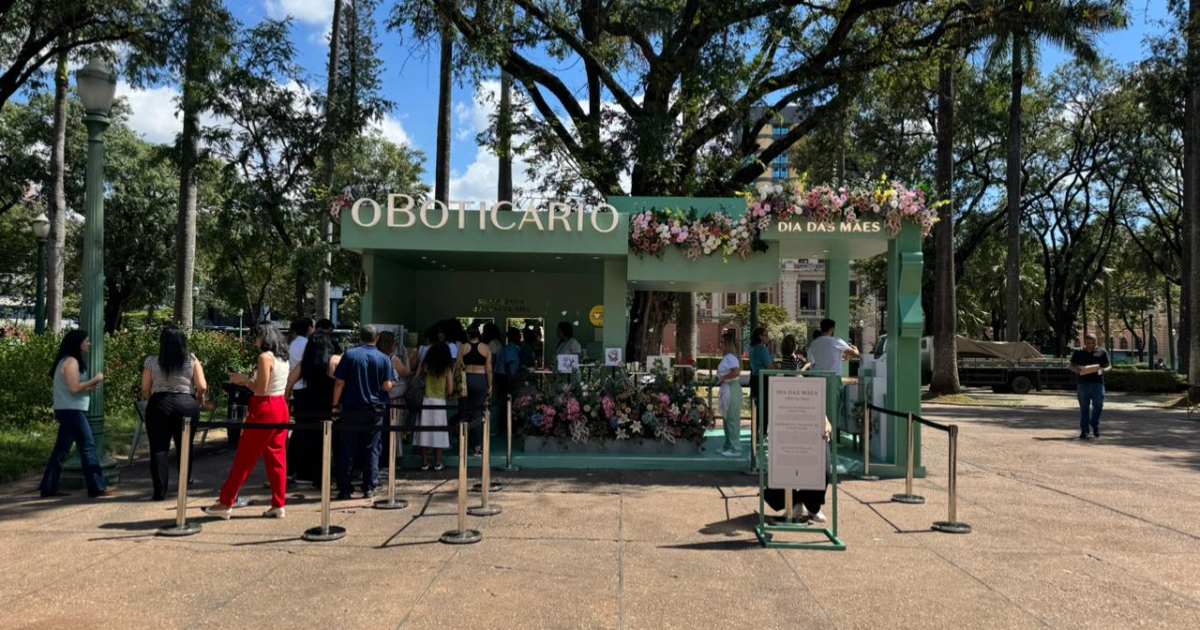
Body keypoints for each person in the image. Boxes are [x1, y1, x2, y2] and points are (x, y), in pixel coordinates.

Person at [204, 322, 291, 519]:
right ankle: (278, 503)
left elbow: (260, 388)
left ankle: (226, 501)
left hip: (264, 407)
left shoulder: (264, 357)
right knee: (277, 458)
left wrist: (242, 379)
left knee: (245, 457)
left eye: (257, 337)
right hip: (280, 406)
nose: (255, 341)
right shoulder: (282, 358)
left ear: (264, 337)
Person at [39, 331, 115, 499]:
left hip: (67, 409)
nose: (89, 344)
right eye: (86, 341)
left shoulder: (65, 361)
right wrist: (95, 379)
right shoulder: (71, 361)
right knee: (88, 446)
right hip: (72, 411)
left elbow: (72, 388)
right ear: (78, 343)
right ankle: (96, 486)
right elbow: (74, 388)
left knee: (61, 450)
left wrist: (87, 387)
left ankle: (48, 487)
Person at [140, 326, 209, 500]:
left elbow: (145, 388)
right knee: (185, 446)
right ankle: (184, 484)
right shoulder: (191, 360)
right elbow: (202, 386)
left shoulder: (151, 361)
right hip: (185, 404)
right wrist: (200, 399)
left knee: (158, 448)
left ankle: (159, 491)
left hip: (159, 404)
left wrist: (152, 400)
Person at [332, 325, 395, 499]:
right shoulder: (384, 358)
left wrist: (335, 406)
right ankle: (369, 486)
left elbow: (339, 383)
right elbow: (387, 385)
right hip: (375, 410)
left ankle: (345, 488)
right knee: (372, 448)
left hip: (351, 408)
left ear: (360, 337)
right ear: (377, 339)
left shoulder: (350, 355)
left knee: (348, 448)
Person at [286, 331, 341, 485]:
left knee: (305, 438)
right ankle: (323, 476)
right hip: (327, 404)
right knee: (324, 441)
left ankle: (304, 473)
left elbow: (290, 380)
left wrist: (287, 397)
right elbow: (340, 382)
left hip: (306, 403)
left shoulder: (305, 362)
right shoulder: (333, 361)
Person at [764, 416, 833, 523]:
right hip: (789, 439)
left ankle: (812, 506)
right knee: (782, 468)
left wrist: (827, 431)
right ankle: (795, 504)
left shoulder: (814, 402)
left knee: (823, 466)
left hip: (811, 442)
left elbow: (827, 423)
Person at [457, 326, 493, 456]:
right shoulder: (486, 348)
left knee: (463, 412)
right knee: (477, 414)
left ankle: (463, 445)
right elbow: (489, 369)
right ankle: (477, 447)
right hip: (480, 379)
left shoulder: (463, 347)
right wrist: (490, 385)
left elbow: (458, 365)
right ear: (479, 335)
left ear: (468, 336)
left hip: (466, 379)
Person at [417, 342, 454, 470]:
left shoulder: (426, 366)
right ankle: (438, 462)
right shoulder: (447, 369)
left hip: (426, 400)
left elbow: (418, 377)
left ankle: (424, 462)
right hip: (440, 402)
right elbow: (450, 389)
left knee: (424, 431)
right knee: (439, 432)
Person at [1070, 333, 1111, 439]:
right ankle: (1084, 431)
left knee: (1099, 405)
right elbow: (1071, 365)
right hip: (1083, 384)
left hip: (1098, 384)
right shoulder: (1078, 352)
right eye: (1088, 343)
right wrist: (1076, 370)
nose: (1091, 345)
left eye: (1093, 343)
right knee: (1084, 408)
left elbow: (1109, 366)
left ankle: (1094, 423)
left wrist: (1103, 370)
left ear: (1096, 342)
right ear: (1085, 343)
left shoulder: (1102, 352)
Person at [377, 329, 411, 441]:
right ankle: (394, 451)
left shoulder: (375, 356)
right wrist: (407, 357)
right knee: (395, 424)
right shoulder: (393, 359)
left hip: (379, 397)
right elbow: (406, 373)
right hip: (395, 398)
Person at [716, 331, 744, 458]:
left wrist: (724, 377)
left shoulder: (731, 358)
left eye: (722, 342)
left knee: (732, 419)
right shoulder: (727, 358)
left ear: (727, 344)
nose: (720, 344)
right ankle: (728, 445)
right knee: (727, 419)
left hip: (731, 388)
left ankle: (735, 448)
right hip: (727, 388)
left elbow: (736, 372)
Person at [495, 327, 523, 433]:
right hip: (505, 377)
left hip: (505, 376)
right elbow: (507, 365)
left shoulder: (512, 348)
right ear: (513, 337)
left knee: (506, 403)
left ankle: (505, 427)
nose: (520, 338)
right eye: (518, 335)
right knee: (506, 403)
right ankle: (505, 428)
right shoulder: (510, 348)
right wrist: (510, 381)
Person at [748, 327, 774, 404]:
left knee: (758, 405)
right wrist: (778, 366)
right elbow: (769, 367)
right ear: (760, 336)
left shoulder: (752, 348)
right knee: (765, 406)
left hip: (754, 379)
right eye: (765, 335)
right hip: (763, 380)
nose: (767, 337)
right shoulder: (762, 349)